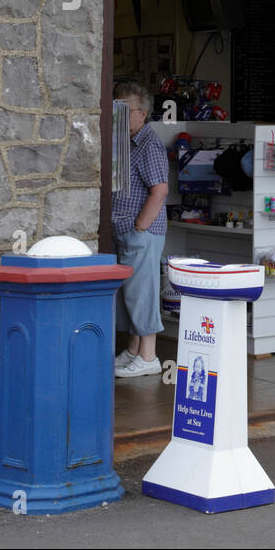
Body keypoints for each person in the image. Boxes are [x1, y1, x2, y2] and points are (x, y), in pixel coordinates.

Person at [111, 81, 170, 378]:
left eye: (125, 110)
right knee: (128, 295)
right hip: (125, 231)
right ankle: (134, 350)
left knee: (142, 294)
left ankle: (148, 357)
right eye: (115, 108)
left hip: (140, 234)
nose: (118, 115)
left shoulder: (149, 143)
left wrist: (139, 227)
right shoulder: (124, 142)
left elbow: (159, 190)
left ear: (143, 114)